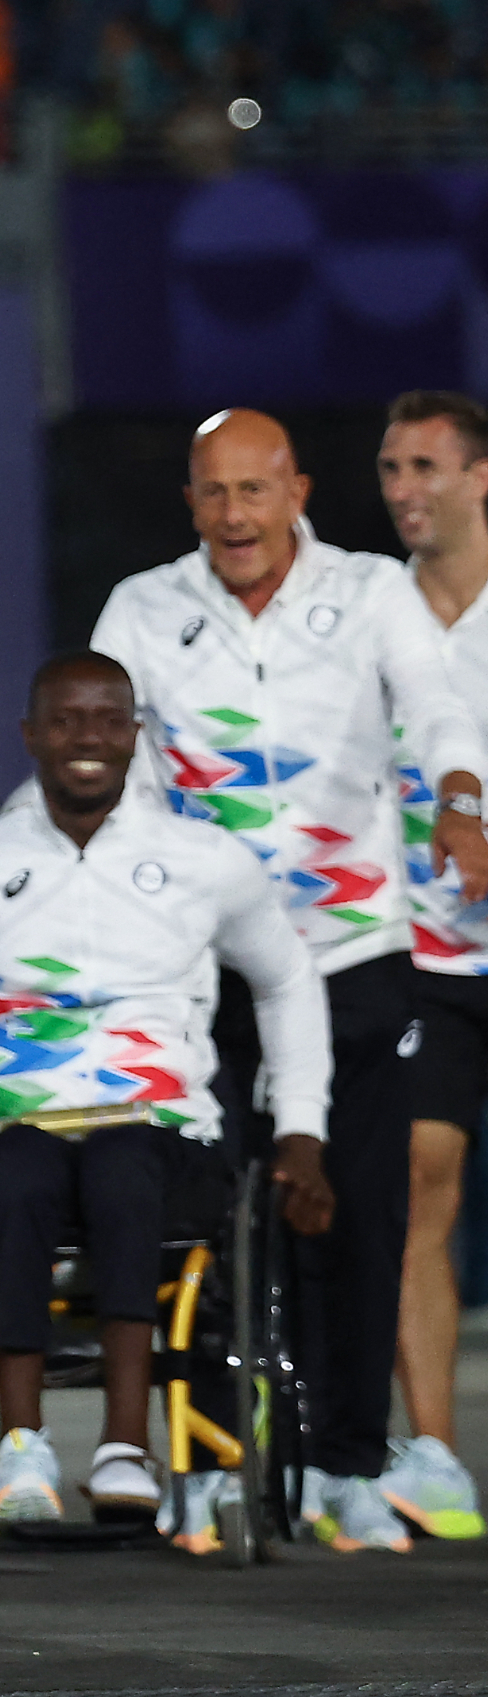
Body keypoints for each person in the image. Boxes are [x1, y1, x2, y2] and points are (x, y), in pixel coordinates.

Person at [90, 407, 488, 1552]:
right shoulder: (144, 605)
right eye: (211, 493)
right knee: (202, 1217)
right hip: (201, 962)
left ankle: (346, 1465)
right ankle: (207, 1462)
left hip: (351, 953)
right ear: (190, 502)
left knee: (359, 1213)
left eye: (252, 492)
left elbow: (437, 710)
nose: (232, 516)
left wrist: (460, 803)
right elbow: (101, 747)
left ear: (296, 491)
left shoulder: (369, 592)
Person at [0, 652, 335, 1540]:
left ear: (134, 734)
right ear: (30, 735)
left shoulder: (202, 859)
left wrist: (299, 1128)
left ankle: (123, 1446)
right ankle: (21, 1445)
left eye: (108, 719)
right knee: (15, 1176)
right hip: (22, 1119)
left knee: (120, 1170)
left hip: (160, 1129)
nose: (87, 739)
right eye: (65, 721)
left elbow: (288, 981)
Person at [377, 388, 488, 1538]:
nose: (404, 490)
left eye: (424, 467)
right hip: (426, 954)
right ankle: (434, 1454)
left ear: (478, 477)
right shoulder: (373, 615)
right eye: (389, 469)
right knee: (422, 1185)